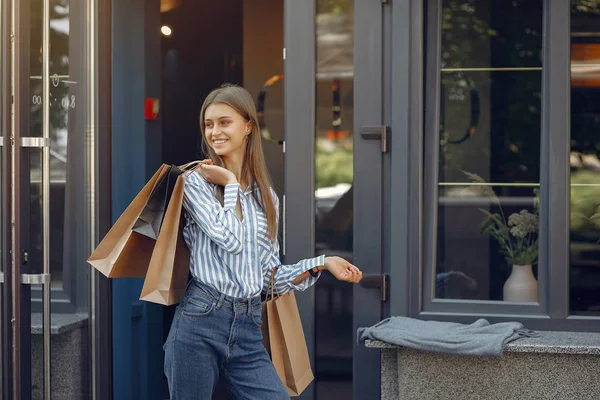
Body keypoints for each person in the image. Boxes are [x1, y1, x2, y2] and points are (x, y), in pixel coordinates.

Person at [163, 84, 363, 399]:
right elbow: (230, 239)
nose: (214, 131)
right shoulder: (194, 183)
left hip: (247, 326)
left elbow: (268, 276)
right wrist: (229, 183)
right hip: (200, 321)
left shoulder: (265, 197)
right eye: (208, 124)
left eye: (224, 122)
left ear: (248, 126)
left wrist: (321, 264)